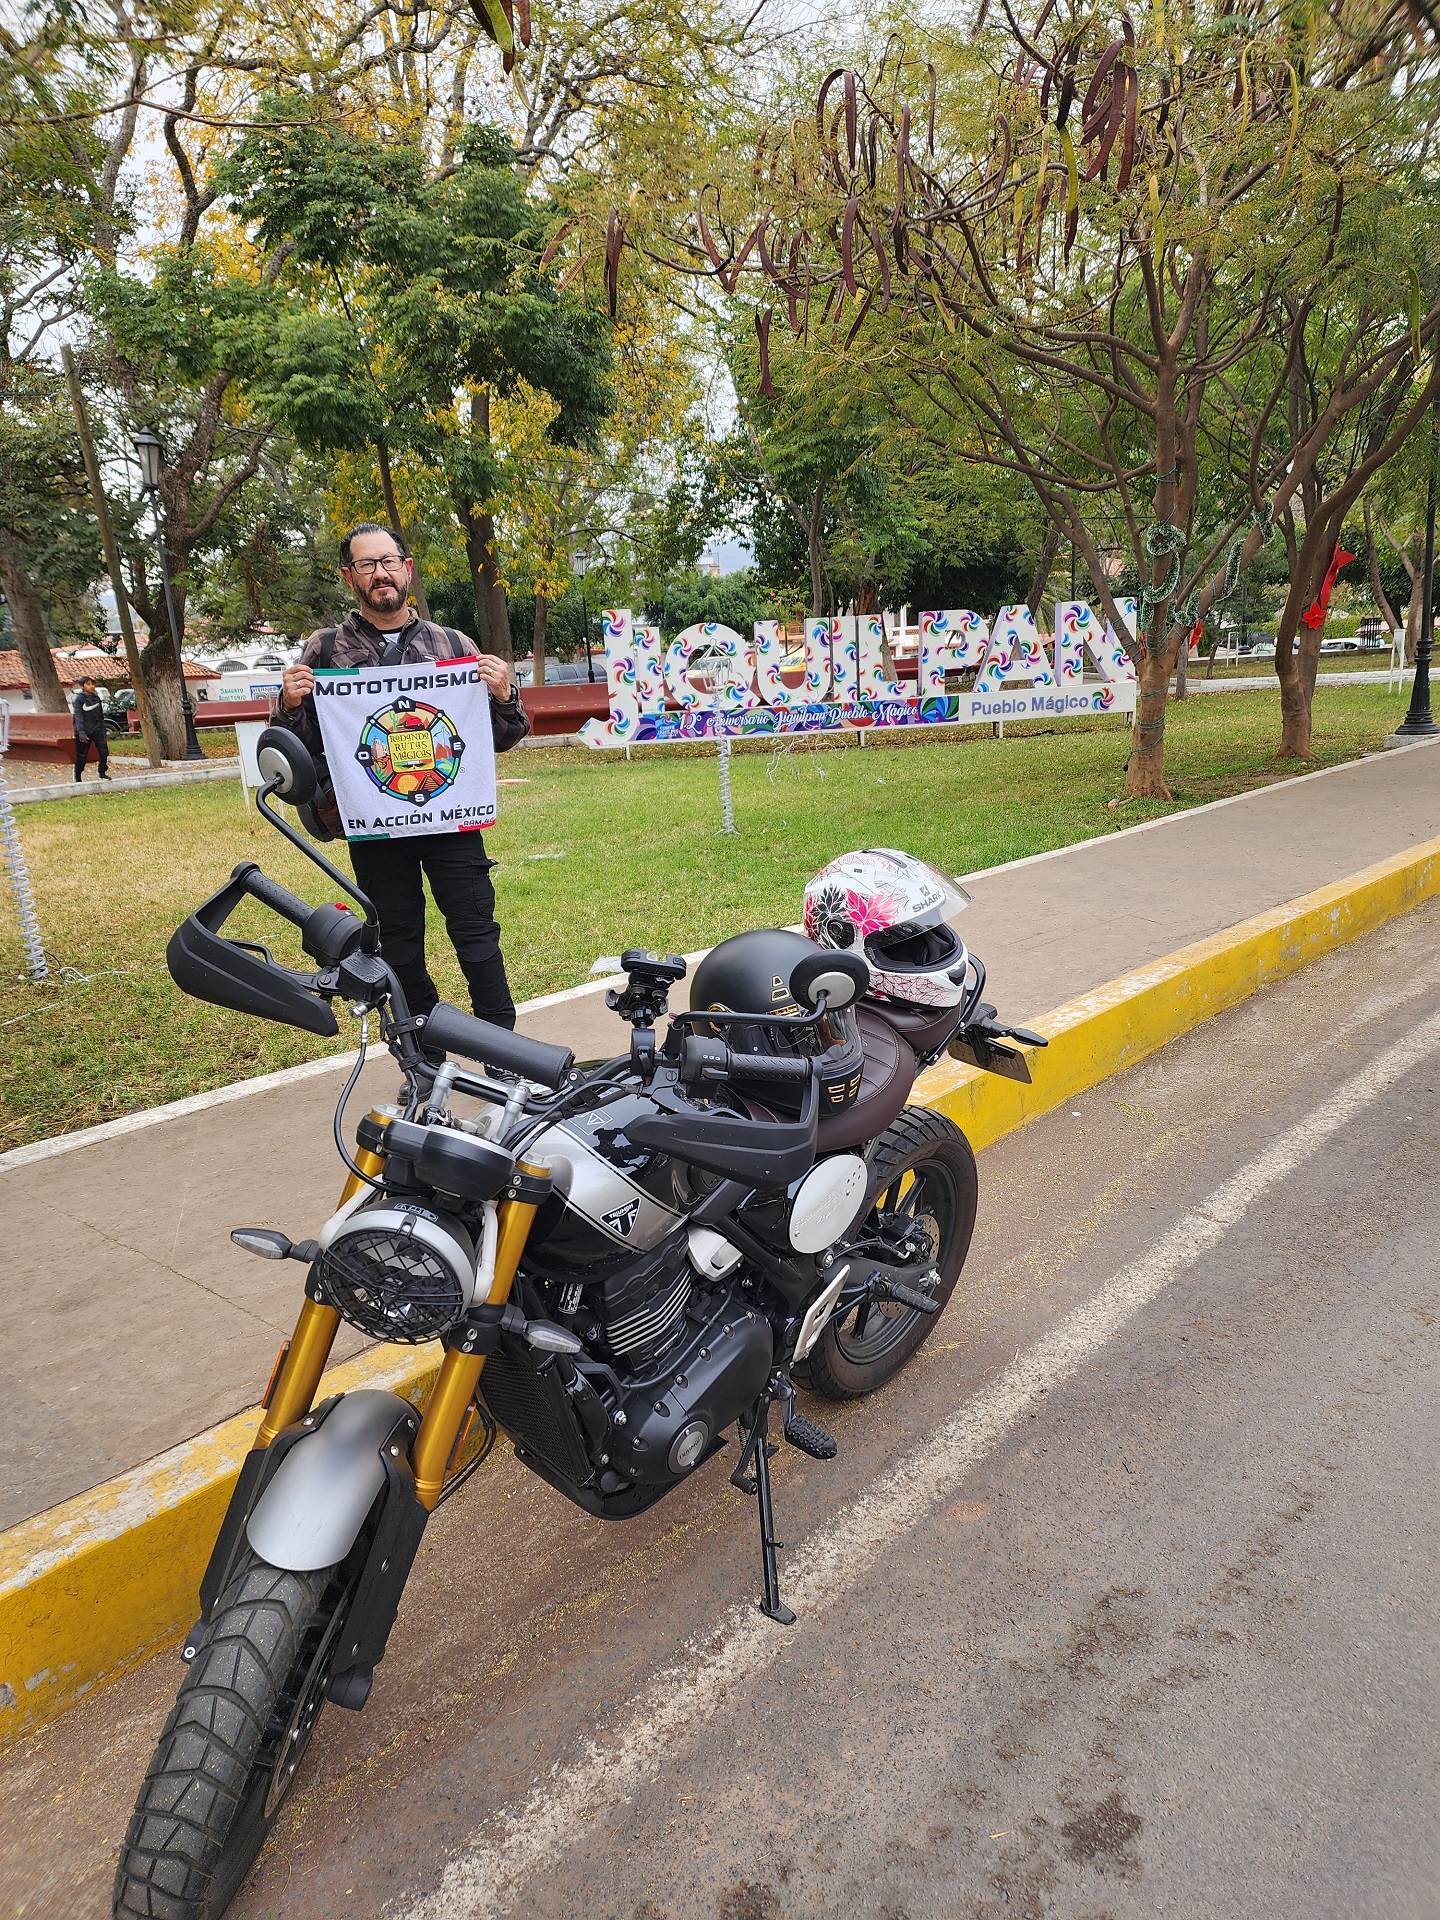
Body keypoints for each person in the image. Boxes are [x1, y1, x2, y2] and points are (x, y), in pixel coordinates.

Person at [273, 523, 530, 1030]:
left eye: (388, 562)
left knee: (477, 935)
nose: (380, 574)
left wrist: (503, 694)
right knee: (399, 945)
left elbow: (497, 737)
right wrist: (290, 702)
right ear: (350, 576)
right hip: (375, 826)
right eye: (366, 565)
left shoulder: (453, 643)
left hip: (450, 820)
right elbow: (299, 742)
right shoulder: (324, 649)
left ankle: (505, 1050)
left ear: (407, 569)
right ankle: (425, 1054)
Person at [72, 677, 110, 782]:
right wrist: (81, 733)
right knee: (82, 755)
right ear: (82, 686)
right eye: (88, 684)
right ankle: (78, 776)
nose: (91, 686)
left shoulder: (96, 698)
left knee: (104, 752)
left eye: (92, 684)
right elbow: (78, 717)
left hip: (97, 729)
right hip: (83, 731)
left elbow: (101, 716)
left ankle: (102, 773)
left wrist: (104, 732)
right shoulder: (79, 699)